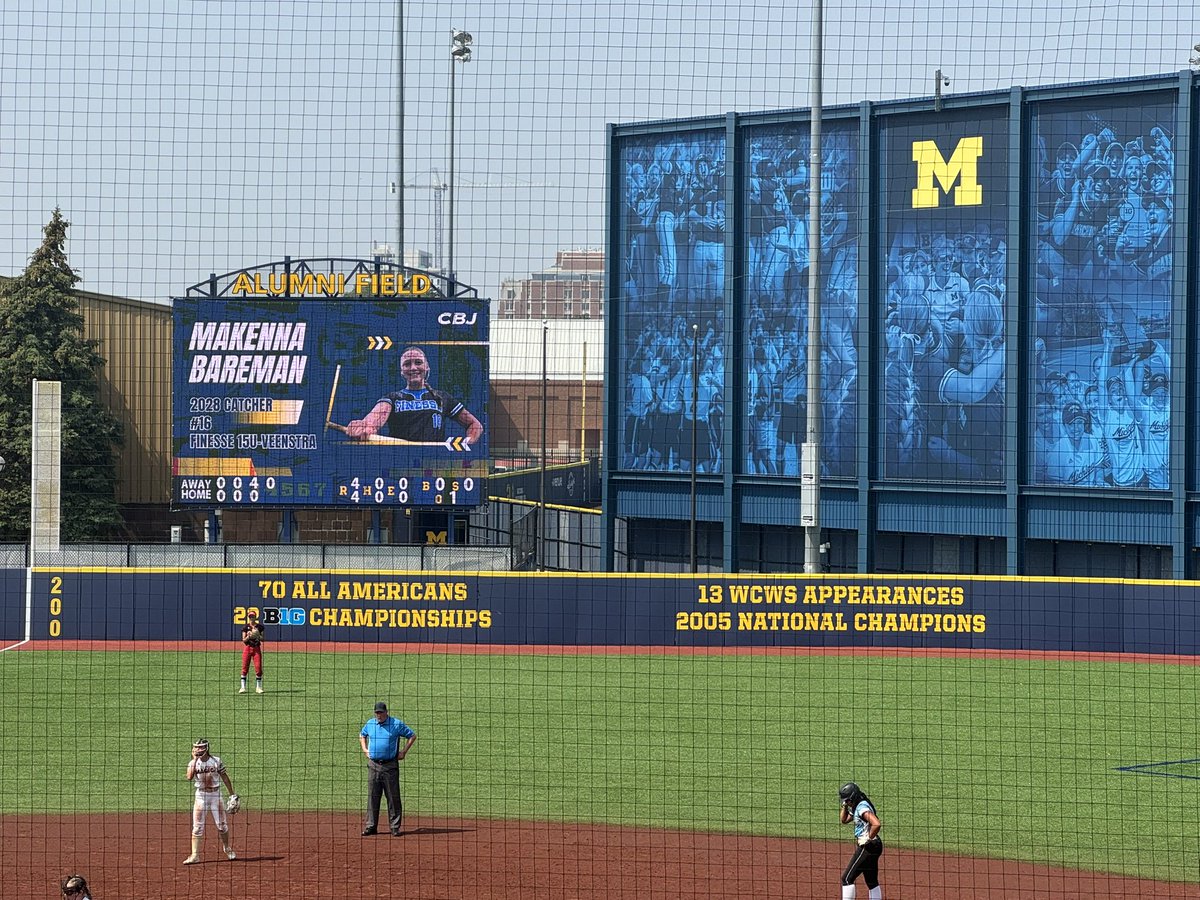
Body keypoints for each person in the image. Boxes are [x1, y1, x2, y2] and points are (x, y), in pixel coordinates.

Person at [346, 346, 483, 446]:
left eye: (418, 362)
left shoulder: (442, 397)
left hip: (434, 463)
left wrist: (466, 444)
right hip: (399, 461)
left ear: (427, 367)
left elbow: (475, 425)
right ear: (402, 371)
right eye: (407, 364)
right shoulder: (393, 398)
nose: (413, 368)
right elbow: (374, 419)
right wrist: (364, 426)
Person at [360, 701, 416, 837]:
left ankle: (395, 827)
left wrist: (403, 752)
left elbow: (412, 736)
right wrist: (365, 750)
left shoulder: (396, 724)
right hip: (373, 765)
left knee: (393, 797)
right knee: (373, 796)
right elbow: (362, 735)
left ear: (386, 712)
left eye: (381, 712)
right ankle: (371, 826)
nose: (379, 715)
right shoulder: (370, 723)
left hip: (390, 766)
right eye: (377, 713)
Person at [184, 738, 236, 864]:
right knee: (197, 827)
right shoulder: (193, 763)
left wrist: (232, 794)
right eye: (196, 747)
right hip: (200, 796)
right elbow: (189, 777)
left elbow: (225, 778)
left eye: (200, 747)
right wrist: (195, 760)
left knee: (222, 825)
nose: (198, 749)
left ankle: (227, 848)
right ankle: (195, 855)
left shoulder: (216, 761)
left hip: (215, 795)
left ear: (206, 748)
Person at [838, 781, 883, 899]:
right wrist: (845, 806)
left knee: (847, 878)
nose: (846, 802)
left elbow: (876, 824)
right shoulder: (857, 806)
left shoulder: (862, 808)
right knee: (872, 881)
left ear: (853, 797)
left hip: (868, 846)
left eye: (847, 800)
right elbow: (844, 820)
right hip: (875, 845)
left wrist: (868, 838)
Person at [239, 611, 264, 694]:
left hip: (256, 648)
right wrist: (249, 636)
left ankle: (258, 687)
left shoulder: (259, 627)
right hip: (248, 648)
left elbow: (263, 639)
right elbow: (243, 640)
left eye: (253, 616)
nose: (251, 618)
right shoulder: (246, 627)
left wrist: (257, 635)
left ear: (255, 617)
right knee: (245, 667)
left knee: (258, 667)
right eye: (250, 616)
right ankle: (243, 687)